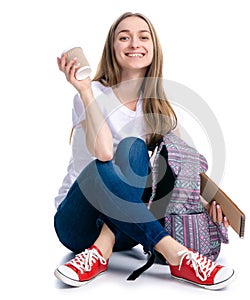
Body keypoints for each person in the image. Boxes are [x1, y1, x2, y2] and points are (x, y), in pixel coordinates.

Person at [54, 11, 236, 290]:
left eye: (143, 37)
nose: (134, 44)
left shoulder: (160, 112)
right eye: (123, 37)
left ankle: (102, 250)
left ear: (154, 48)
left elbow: (179, 176)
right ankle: (176, 255)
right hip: (79, 222)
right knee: (109, 163)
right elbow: (102, 153)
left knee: (136, 150)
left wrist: (205, 206)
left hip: (130, 231)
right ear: (112, 48)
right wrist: (85, 91)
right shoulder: (91, 94)